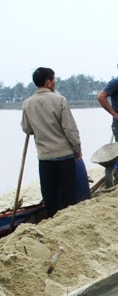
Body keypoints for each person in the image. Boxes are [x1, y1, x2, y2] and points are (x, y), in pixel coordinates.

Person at [21, 67, 82, 218]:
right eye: (53, 80)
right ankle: (69, 220)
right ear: (48, 82)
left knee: (50, 195)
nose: (55, 83)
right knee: (68, 195)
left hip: (45, 157)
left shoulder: (28, 104)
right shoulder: (59, 100)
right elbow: (70, 129)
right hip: (64, 154)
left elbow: (27, 129)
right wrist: (77, 148)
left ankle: (51, 219)